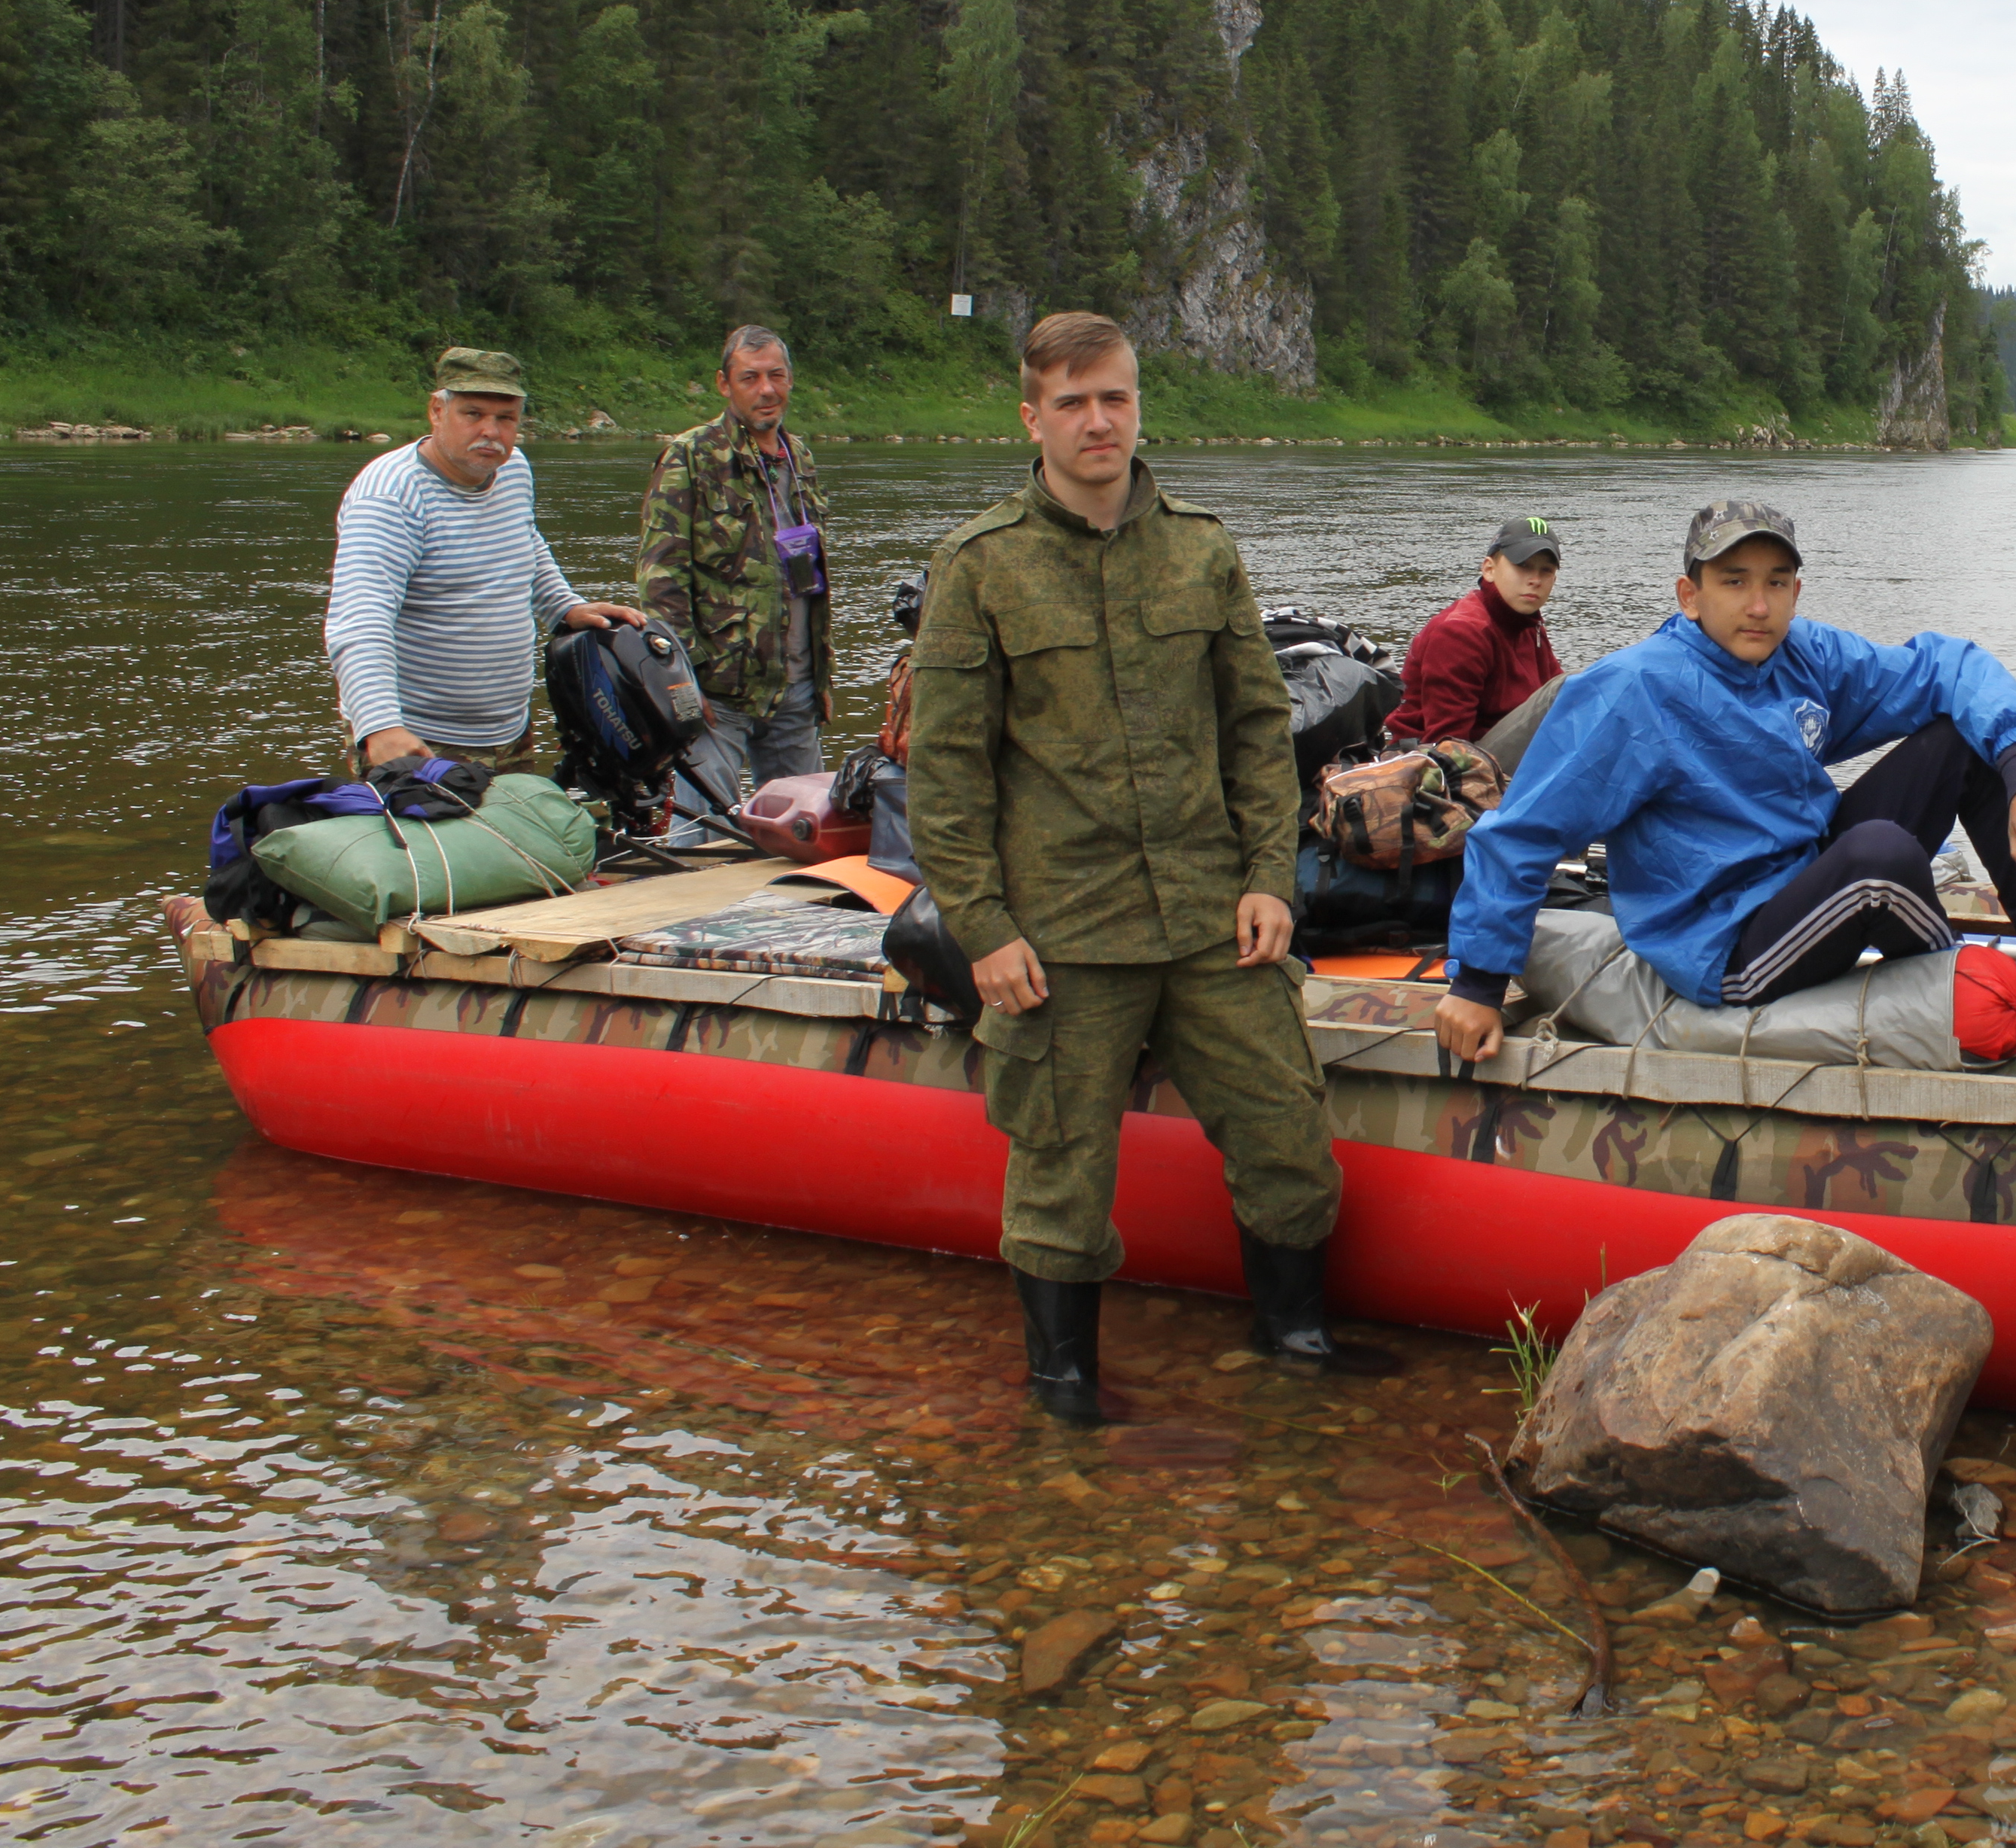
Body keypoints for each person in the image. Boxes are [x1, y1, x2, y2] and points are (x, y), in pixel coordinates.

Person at [903, 310, 1387, 1426]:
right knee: (1062, 1174)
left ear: (1138, 403)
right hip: (1062, 933)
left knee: (1287, 1136)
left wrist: (1271, 875)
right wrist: (982, 927)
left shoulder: (1202, 550)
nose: (1097, 421)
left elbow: (1260, 730)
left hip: (1214, 917)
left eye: (1113, 396)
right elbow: (948, 772)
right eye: (1070, 402)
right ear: (1031, 418)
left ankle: (1295, 1337)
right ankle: (1065, 1384)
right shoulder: (981, 568)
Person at [1431, 500, 2016, 1068]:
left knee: (1964, 743)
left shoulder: (1804, 656)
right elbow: (1522, 830)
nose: (1758, 605)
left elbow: (1949, 667)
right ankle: (1960, 996)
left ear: (1796, 594)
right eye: (1734, 581)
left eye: (1777, 583)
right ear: (1690, 596)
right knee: (1879, 860)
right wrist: (1478, 985)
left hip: (1802, 876)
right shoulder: (1636, 691)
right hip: (1725, 941)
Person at [325, 347, 641, 771]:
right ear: (437, 411)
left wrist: (563, 606)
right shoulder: (390, 498)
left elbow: (525, 542)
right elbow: (359, 622)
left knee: (515, 837)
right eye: (473, 414)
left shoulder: (512, 470)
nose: (491, 432)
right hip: (418, 738)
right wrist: (380, 726)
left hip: (507, 729)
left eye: (505, 418)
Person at [637, 327, 833, 841]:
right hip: (719, 692)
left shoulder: (800, 457)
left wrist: (821, 678)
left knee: (803, 836)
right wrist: (684, 677)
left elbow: (813, 574)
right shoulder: (690, 456)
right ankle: (687, 921)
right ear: (725, 385)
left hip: (796, 686)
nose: (766, 390)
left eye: (776, 376)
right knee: (701, 835)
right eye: (751, 378)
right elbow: (661, 579)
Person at [1392, 516, 1564, 753]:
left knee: (1582, 691)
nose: (1535, 580)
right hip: (1443, 757)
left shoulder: (1528, 623)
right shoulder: (1460, 631)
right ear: (1489, 569)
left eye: (1546, 570)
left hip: (1493, 748)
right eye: (1523, 566)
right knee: (1563, 690)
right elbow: (1447, 742)